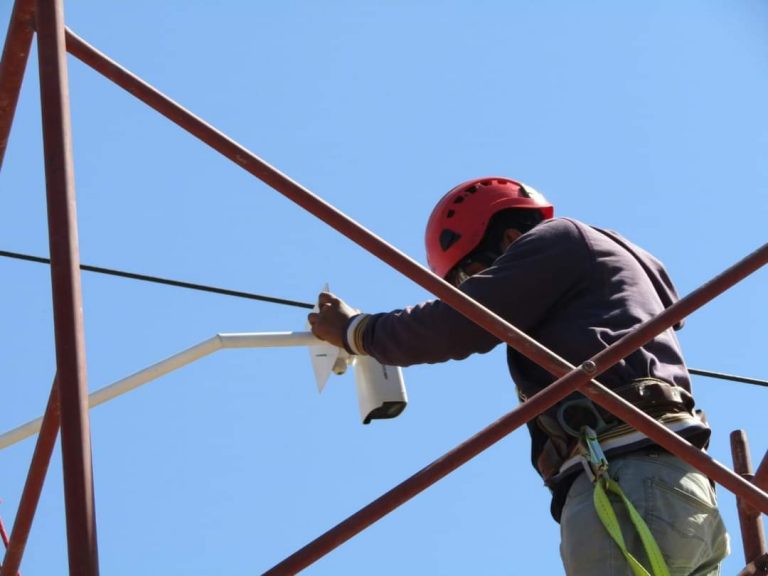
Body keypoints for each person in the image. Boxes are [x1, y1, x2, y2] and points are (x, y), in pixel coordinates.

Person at [308, 176, 729, 575]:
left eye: (473, 277)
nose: (476, 288)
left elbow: (458, 324)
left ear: (509, 239)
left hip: (626, 479)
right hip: (681, 488)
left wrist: (358, 332)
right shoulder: (611, 277)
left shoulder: (558, 238)